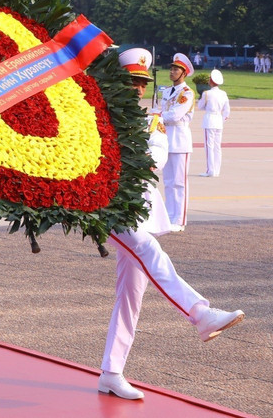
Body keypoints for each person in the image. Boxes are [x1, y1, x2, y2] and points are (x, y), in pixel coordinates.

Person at [99, 49, 244, 400]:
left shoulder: (151, 121)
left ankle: (111, 371)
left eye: (141, 84)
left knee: (132, 293)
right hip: (110, 206)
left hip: (140, 209)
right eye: (131, 82)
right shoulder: (98, 119)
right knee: (149, 250)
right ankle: (199, 313)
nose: (136, 89)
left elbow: (157, 156)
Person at [157, 53, 195, 232]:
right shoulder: (166, 91)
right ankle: (170, 216)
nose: (172, 72)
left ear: (184, 73)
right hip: (166, 139)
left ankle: (179, 220)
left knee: (180, 183)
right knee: (169, 181)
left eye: (176, 69)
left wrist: (157, 116)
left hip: (179, 140)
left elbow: (174, 115)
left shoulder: (186, 93)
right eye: (171, 69)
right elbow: (160, 109)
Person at [197, 69, 230, 178]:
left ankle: (210, 170)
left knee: (209, 146)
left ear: (211, 81)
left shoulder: (207, 93)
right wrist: (222, 120)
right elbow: (227, 111)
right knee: (217, 147)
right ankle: (216, 170)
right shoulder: (223, 93)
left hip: (209, 119)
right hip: (219, 120)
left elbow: (200, 106)